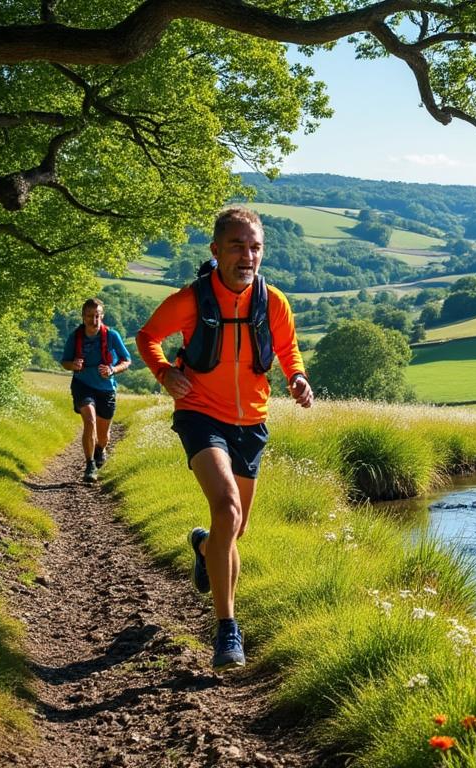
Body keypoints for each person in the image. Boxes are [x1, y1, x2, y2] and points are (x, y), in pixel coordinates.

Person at [136, 207, 313, 672]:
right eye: (237, 246)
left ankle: (202, 547)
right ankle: (226, 630)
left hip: (251, 420)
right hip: (200, 414)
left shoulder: (273, 301)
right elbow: (148, 336)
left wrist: (297, 377)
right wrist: (164, 372)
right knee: (228, 509)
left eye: (255, 247)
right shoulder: (191, 300)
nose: (247, 256)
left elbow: (288, 348)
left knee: (234, 529)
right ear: (216, 250)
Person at [61, 298, 132, 483]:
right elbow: (65, 362)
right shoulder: (75, 337)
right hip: (82, 384)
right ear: (83, 317)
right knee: (90, 420)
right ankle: (90, 465)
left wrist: (112, 370)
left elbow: (126, 360)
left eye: (97, 316)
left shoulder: (112, 335)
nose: (94, 320)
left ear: (102, 316)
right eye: (90, 316)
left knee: (103, 436)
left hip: (106, 388)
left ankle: (100, 449)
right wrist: (73, 365)